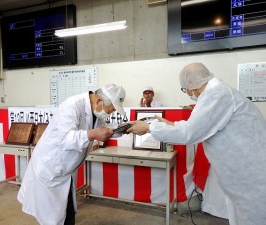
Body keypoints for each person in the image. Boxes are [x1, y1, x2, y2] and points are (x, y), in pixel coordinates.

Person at [127, 63, 266, 225]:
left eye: (183, 89)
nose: (186, 93)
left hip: (250, 177)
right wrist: (167, 124)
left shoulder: (217, 94)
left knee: (253, 219)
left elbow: (189, 133)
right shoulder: (219, 93)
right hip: (243, 174)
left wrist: (149, 127)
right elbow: (196, 127)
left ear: (191, 85)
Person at [17, 83, 126, 225]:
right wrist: (92, 134)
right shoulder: (72, 106)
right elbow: (65, 139)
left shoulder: (96, 111)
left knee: (67, 212)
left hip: (65, 171)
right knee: (53, 218)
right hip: (50, 168)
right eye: (110, 110)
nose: (110, 114)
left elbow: (105, 129)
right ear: (99, 101)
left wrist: (127, 128)